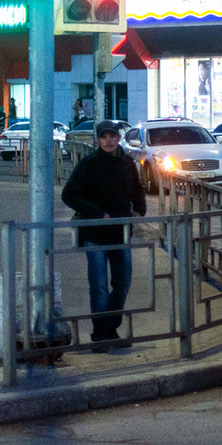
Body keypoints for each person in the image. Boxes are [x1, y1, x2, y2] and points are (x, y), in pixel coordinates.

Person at [61, 120, 146, 351]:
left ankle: (111, 328)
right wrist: (98, 213)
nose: (108, 140)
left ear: (119, 138)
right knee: (98, 285)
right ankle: (100, 334)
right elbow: (69, 194)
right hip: (95, 234)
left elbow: (138, 190)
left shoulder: (127, 163)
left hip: (121, 234)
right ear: (97, 140)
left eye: (112, 136)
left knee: (122, 283)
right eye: (104, 137)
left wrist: (140, 211)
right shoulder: (89, 164)